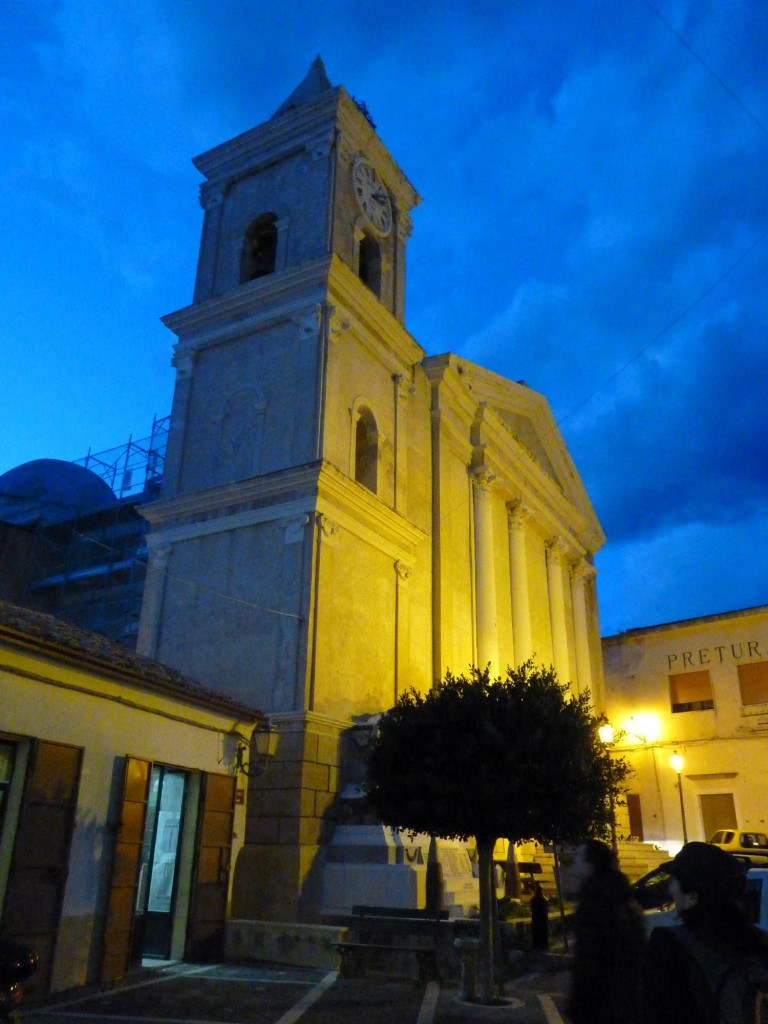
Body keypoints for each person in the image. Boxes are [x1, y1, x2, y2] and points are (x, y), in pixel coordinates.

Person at [642, 841, 768, 1024]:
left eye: (674, 881)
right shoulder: (760, 943)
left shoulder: (669, 946)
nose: (669, 889)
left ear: (692, 897)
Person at [568, 839, 647, 1024]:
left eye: (579, 855)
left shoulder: (598, 900)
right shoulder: (616, 892)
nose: (573, 858)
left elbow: (591, 957)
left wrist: (580, 1003)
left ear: (590, 864)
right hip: (623, 999)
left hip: (603, 1002)